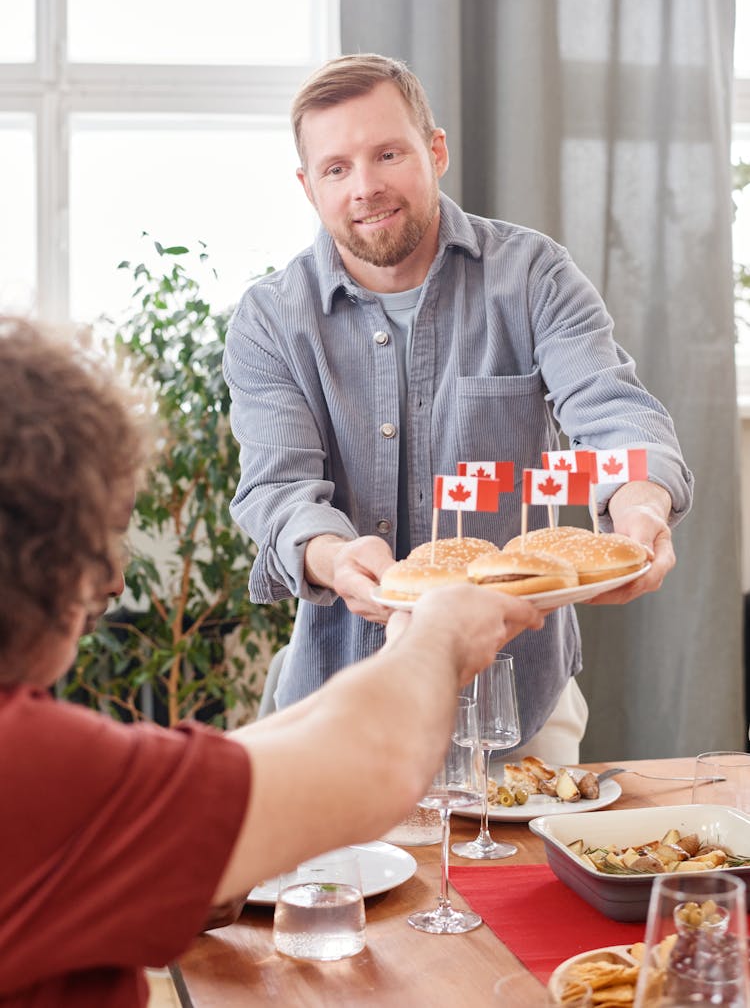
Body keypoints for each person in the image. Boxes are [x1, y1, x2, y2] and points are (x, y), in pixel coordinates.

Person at [0, 315, 542, 1007]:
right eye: (102, 536)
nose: (112, 580)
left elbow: (218, 776)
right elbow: (373, 764)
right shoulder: (30, 767)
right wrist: (435, 639)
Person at [223, 53, 694, 759]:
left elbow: (611, 409)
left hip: (520, 697)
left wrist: (642, 505)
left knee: (519, 876)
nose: (366, 187)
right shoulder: (268, 320)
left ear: (435, 150)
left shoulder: (533, 275)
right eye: (336, 168)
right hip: (341, 696)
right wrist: (336, 553)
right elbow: (278, 490)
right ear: (307, 185)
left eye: (388, 153)